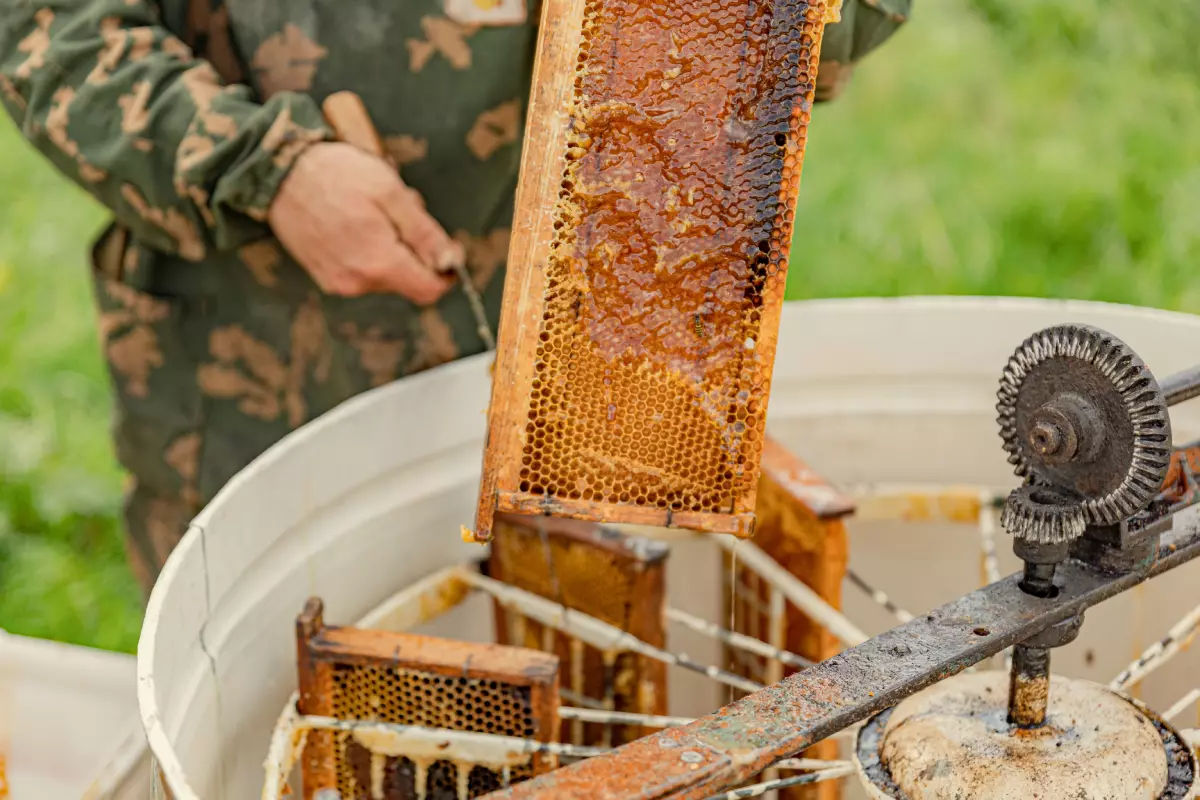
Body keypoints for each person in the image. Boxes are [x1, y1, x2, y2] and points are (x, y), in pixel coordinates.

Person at [0, 0, 911, 596]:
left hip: (593, 350)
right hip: (255, 356)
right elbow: (52, 26)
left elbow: (833, 25)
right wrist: (269, 170)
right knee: (256, 695)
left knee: (587, 665)